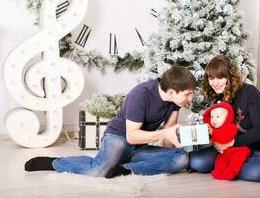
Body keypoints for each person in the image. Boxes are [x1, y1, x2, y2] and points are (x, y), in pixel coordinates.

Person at [25, 65, 196, 178]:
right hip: (119, 138)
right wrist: (164, 134)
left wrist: (171, 147)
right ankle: (54, 162)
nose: (190, 98)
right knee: (98, 170)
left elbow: (168, 133)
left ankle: (123, 169)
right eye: (188, 93)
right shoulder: (141, 94)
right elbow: (131, 137)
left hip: (140, 146)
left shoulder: (176, 102)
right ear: (172, 91)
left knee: (181, 159)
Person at [189, 55, 260, 182]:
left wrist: (231, 143)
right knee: (197, 162)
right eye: (211, 78)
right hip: (224, 151)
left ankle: (227, 167)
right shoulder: (217, 96)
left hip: (252, 150)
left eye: (220, 77)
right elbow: (217, 128)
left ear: (229, 76)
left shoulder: (250, 92)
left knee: (255, 172)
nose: (214, 83)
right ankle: (230, 167)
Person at [202, 102, 250, 180]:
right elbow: (213, 140)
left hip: (238, 150)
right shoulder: (213, 129)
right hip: (224, 153)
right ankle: (219, 171)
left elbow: (225, 137)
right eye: (212, 117)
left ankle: (231, 172)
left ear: (227, 117)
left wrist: (213, 132)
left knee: (236, 161)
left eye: (217, 116)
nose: (214, 119)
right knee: (219, 161)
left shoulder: (231, 127)